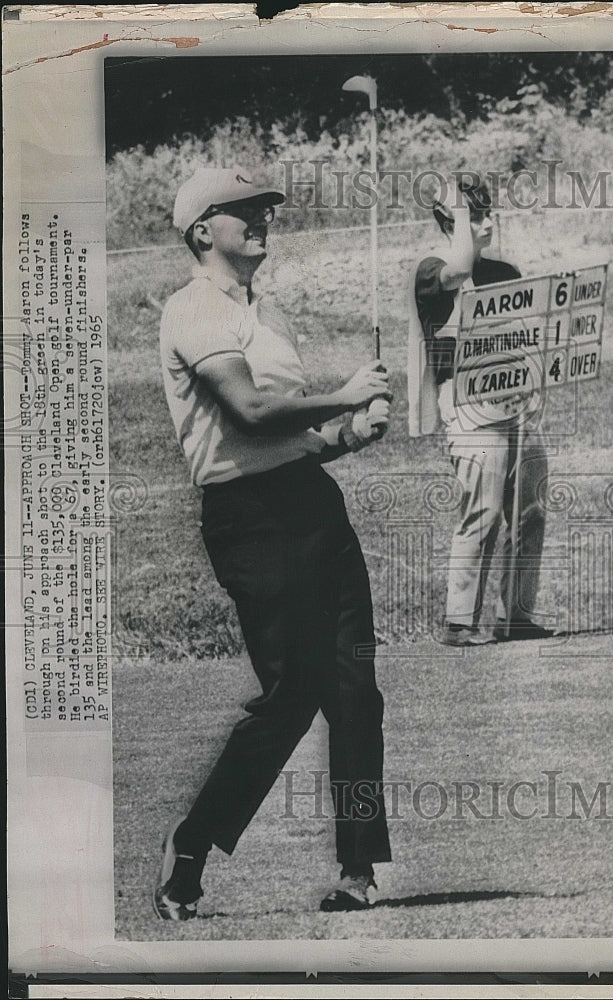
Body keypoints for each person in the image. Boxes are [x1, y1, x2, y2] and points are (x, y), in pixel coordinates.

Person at [155, 166, 392, 920]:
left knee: (356, 690)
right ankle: (191, 848)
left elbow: (296, 436)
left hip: (311, 506)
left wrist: (349, 433)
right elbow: (253, 413)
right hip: (247, 517)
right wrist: (347, 393)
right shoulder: (192, 311)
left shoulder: (271, 313)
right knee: (292, 695)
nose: (261, 220)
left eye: (265, 210)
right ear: (203, 231)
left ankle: (357, 873)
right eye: (244, 211)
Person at [408, 176, 553, 647]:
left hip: (513, 399)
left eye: (489, 212)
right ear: (452, 221)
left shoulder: (505, 272)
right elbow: (458, 268)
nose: (490, 222)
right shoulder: (432, 271)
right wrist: (461, 217)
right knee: (484, 510)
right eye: (476, 215)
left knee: (530, 507)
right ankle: (459, 621)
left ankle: (516, 614)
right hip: (467, 406)